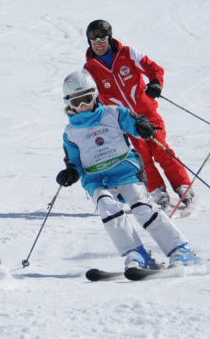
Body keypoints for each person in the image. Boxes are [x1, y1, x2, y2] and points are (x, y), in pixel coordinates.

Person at [57, 71, 200, 269]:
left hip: (125, 171)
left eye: (86, 99)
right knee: (107, 207)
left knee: (142, 207)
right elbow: (74, 162)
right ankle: (136, 253)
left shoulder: (113, 113)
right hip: (96, 178)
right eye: (76, 102)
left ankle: (180, 249)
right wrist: (71, 172)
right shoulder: (71, 132)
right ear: (68, 104)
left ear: (95, 95)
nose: (82, 107)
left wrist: (142, 126)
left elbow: (134, 122)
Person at [82, 19, 193, 213]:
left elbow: (153, 68)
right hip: (125, 122)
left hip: (148, 113)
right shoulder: (89, 70)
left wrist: (155, 83)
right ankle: (157, 190)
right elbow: (92, 99)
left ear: (109, 38)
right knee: (142, 156)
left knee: (161, 149)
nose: (98, 44)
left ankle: (182, 186)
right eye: (93, 40)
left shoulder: (127, 53)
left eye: (102, 39)